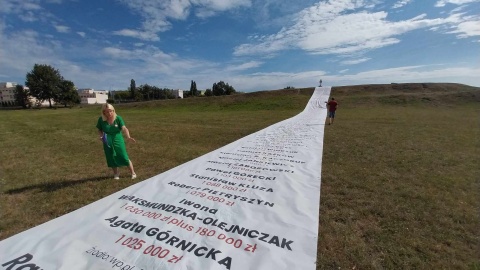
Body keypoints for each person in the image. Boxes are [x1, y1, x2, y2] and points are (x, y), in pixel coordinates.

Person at [96, 103, 137, 180]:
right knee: (111, 156)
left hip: (117, 138)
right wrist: (101, 136)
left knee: (123, 156)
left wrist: (128, 137)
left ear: (113, 110)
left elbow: (124, 128)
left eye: (110, 111)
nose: (109, 113)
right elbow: (99, 129)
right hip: (107, 139)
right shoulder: (101, 119)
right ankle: (116, 173)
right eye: (107, 112)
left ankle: (133, 172)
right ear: (104, 112)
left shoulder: (118, 118)